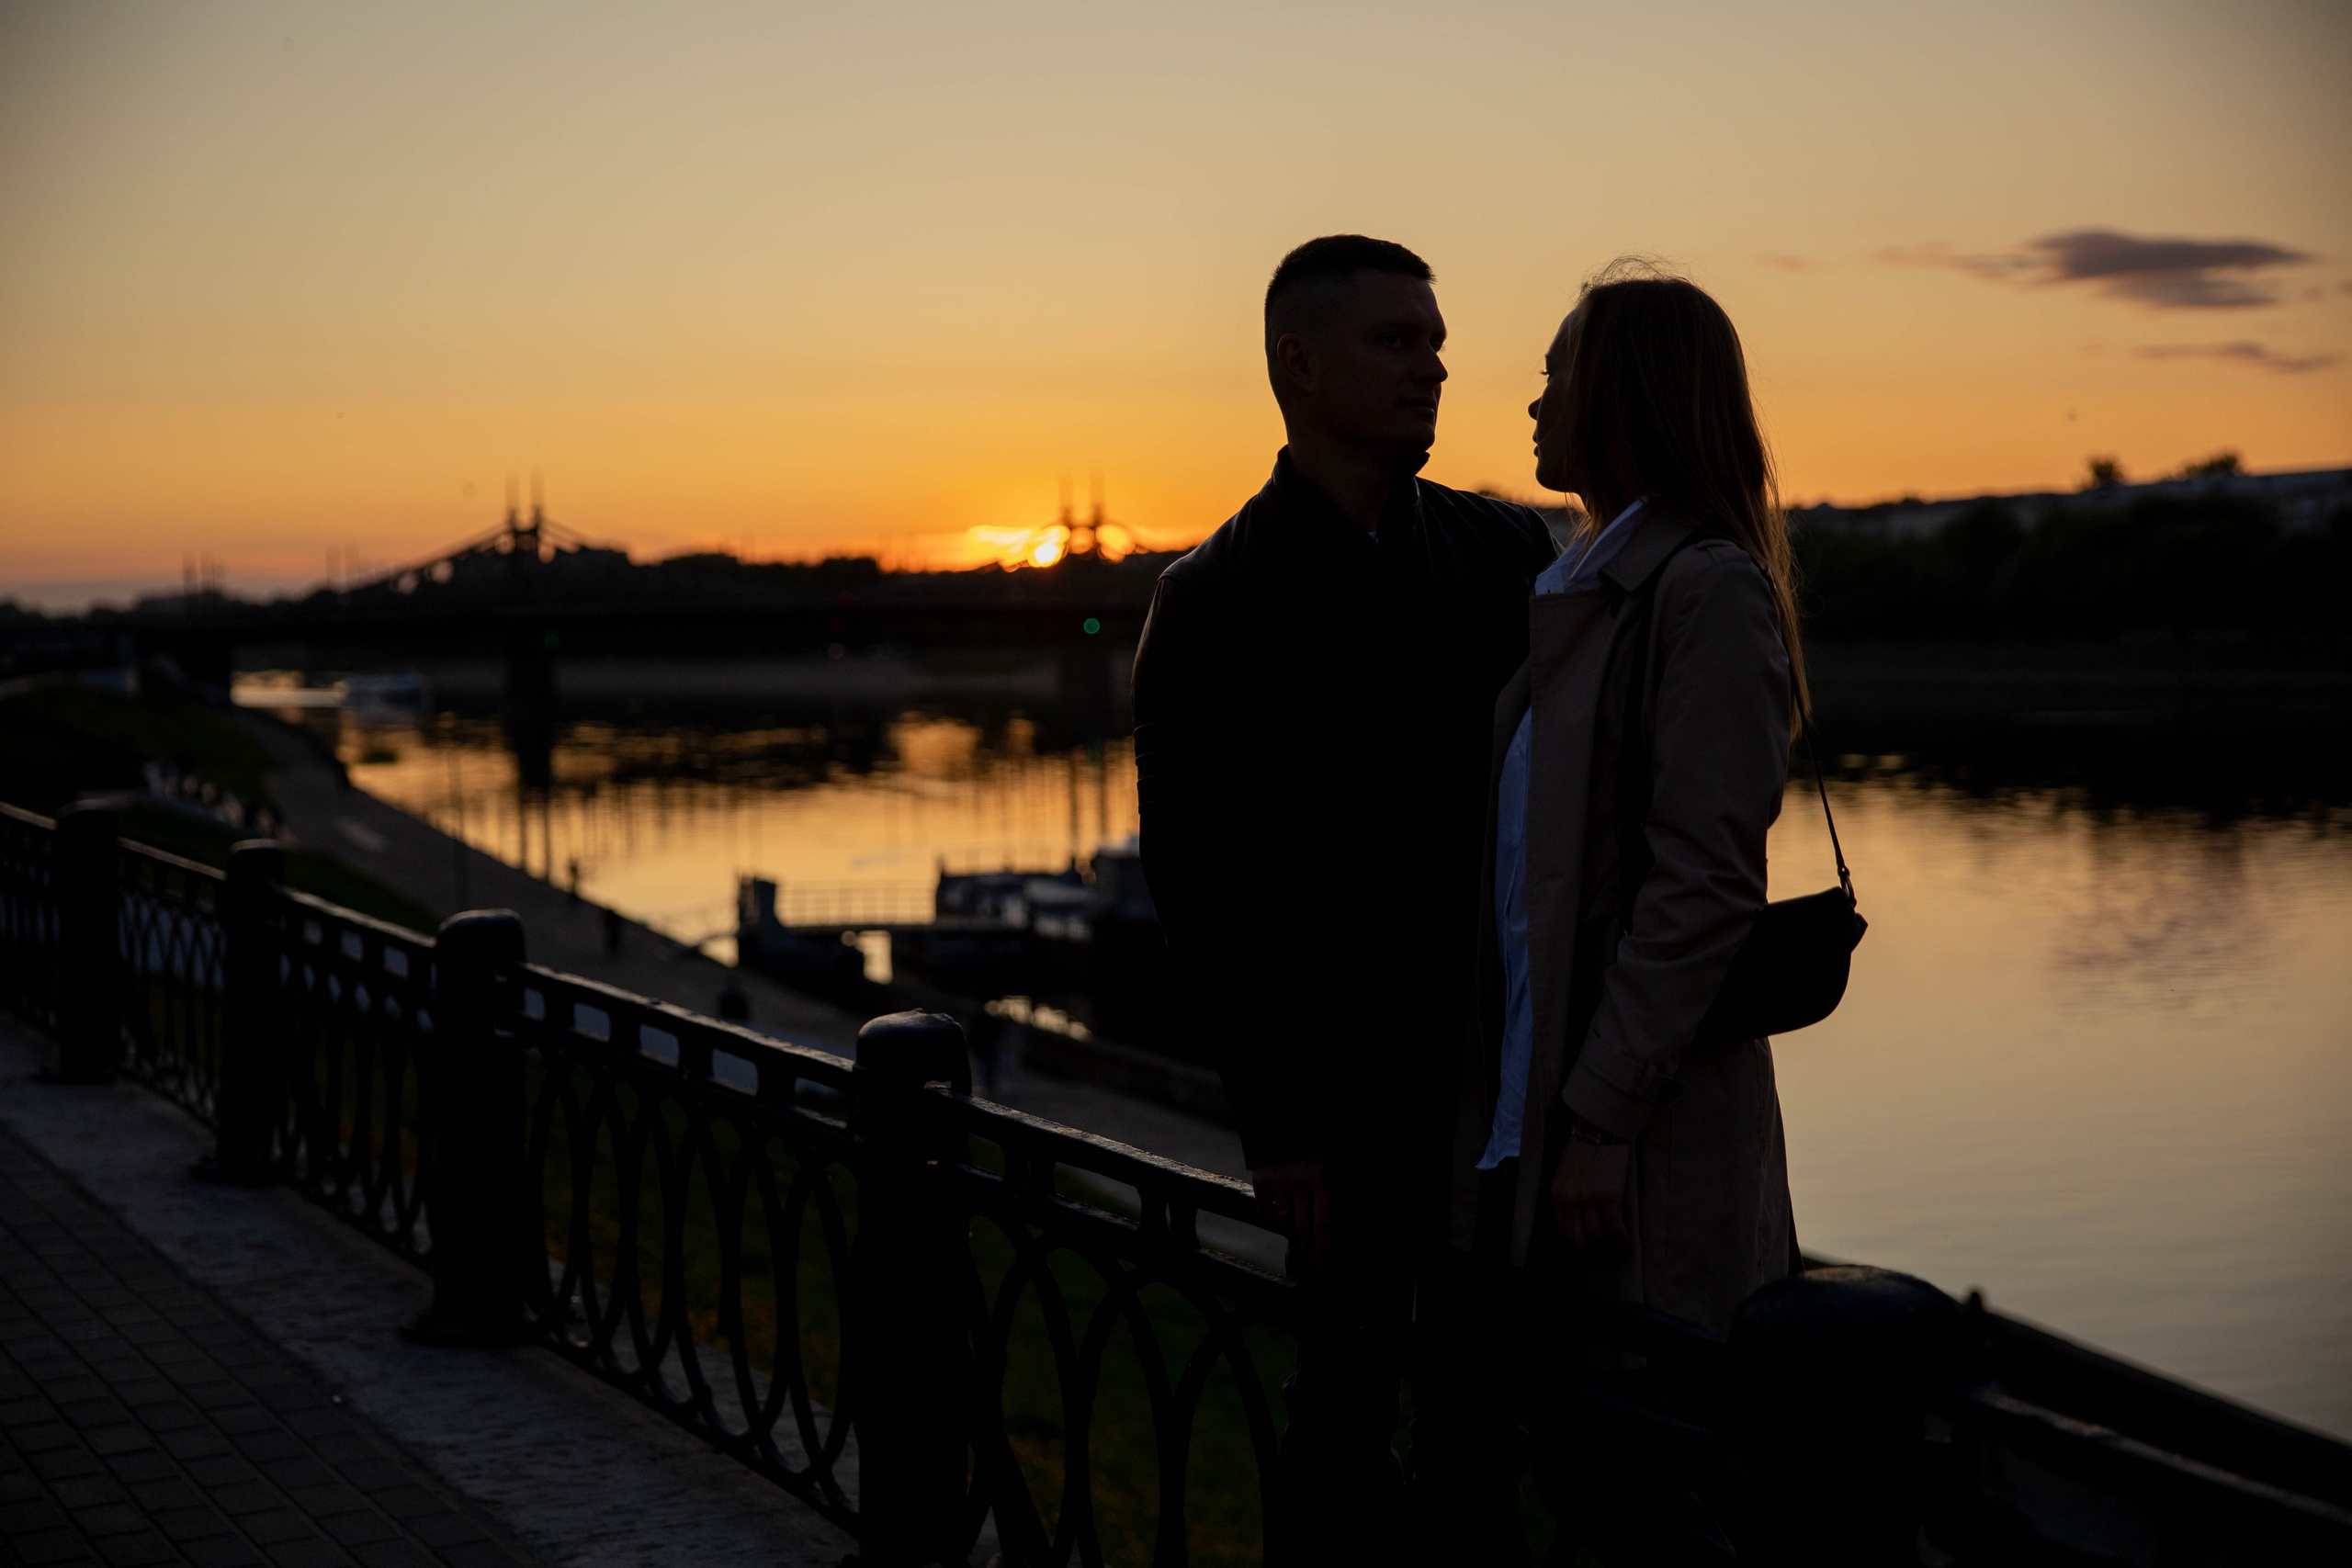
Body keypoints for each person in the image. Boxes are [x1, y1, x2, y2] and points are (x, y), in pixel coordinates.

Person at [1130, 234, 1555, 1561]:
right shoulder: (1211, 600)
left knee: (1492, 1435)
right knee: (1342, 1419)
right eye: (1396, 343)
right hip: (1347, 1119)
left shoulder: (1504, 553)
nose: (1432, 371)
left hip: (1508, 1090)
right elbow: (1203, 891)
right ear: (1296, 366)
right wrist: (1281, 1126)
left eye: (1437, 344)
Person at [1436, 265, 1807, 1565]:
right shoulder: (1585, 579)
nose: (1531, 402)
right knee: (1586, 1488)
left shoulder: (1697, 588)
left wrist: (1599, 1119)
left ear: (1624, 395)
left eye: (1556, 373)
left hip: (1636, 1151)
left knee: (1653, 1500)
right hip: (1552, 1140)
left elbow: (1702, 882)